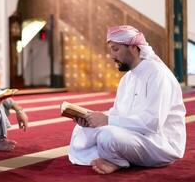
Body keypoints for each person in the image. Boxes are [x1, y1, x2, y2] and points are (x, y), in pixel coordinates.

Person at [68, 25, 186, 174]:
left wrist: (107, 121)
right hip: (134, 136)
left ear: (134, 48)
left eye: (115, 49)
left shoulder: (157, 74)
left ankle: (116, 160)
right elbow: (118, 114)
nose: (111, 55)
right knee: (82, 129)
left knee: (108, 136)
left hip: (159, 143)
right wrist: (90, 120)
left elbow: (152, 124)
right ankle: (115, 158)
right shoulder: (127, 79)